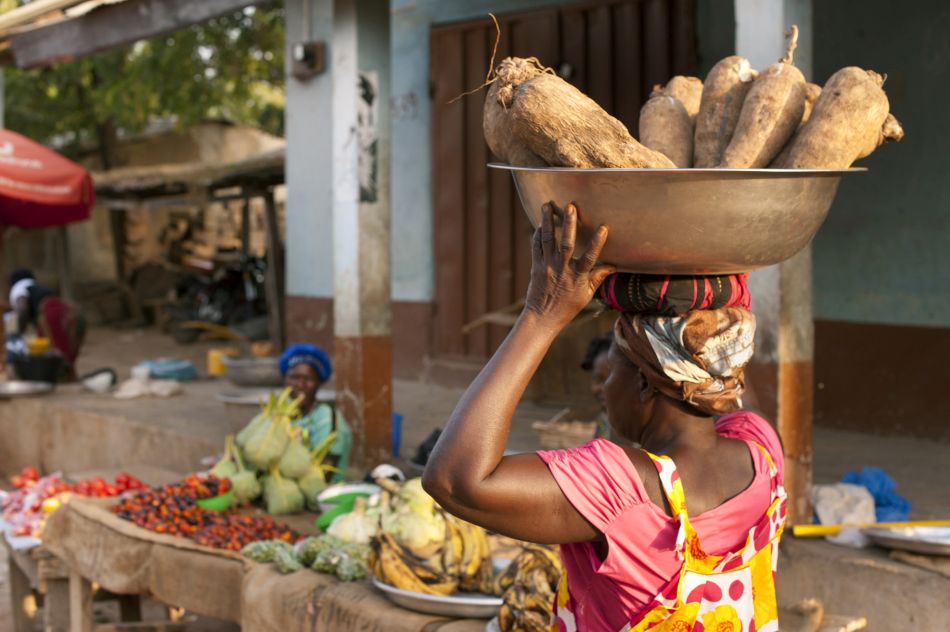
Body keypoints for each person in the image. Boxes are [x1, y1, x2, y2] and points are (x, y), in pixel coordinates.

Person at [423, 203, 786, 631]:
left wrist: (542, 315)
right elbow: (727, 385)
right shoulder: (761, 450)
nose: (603, 389)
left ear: (646, 383)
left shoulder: (620, 488)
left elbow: (452, 480)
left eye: (612, 370)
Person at [279, 343, 353, 480]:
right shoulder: (280, 416)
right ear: (285, 379)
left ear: (319, 383)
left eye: (309, 379)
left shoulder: (328, 420)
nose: (301, 385)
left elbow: (324, 475)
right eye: (294, 378)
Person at [8, 269, 86, 380]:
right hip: (72, 312)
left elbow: (23, 309)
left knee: (51, 350)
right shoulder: (37, 288)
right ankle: (68, 376)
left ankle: (60, 377)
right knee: (67, 349)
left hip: (51, 314)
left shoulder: (18, 289)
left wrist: (17, 331)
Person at [580, 334, 612, 438]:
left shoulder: (650, 435)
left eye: (612, 379)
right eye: (598, 380)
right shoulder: (603, 422)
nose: (603, 388)